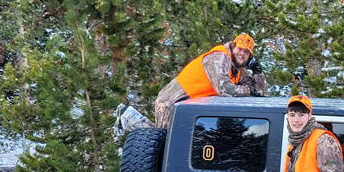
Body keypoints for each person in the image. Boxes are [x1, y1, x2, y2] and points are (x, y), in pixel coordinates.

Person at [114, 33, 267, 134]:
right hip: (171, 102)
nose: (242, 53)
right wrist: (248, 90)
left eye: (247, 52)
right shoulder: (220, 57)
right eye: (240, 49)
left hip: (188, 107)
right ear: (233, 46)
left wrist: (257, 70)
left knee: (172, 142)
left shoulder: (238, 70)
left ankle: (127, 116)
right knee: (163, 141)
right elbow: (224, 89)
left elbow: (261, 93)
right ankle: (127, 116)